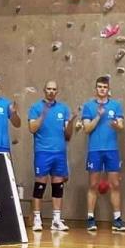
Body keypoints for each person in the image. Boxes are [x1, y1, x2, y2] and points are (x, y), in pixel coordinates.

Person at [80, 75, 125, 233]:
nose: (102, 89)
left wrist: (116, 125)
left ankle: (117, 219)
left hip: (111, 150)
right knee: (93, 184)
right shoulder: (88, 106)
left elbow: (121, 126)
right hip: (95, 150)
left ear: (108, 89)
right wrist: (99, 116)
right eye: (100, 87)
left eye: (105, 87)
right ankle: (90, 218)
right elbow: (87, 129)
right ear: (96, 89)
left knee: (115, 184)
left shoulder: (116, 105)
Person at [27, 80, 72, 232]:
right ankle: (37, 219)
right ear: (44, 90)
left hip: (59, 152)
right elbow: (32, 128)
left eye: (54, 89)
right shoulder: (35, 108)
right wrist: (43, 115)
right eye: (49, 89)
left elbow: (68, 135)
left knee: (58, 186)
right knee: (40, 185)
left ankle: (56, 220)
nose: (51, 91)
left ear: (57, 91)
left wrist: (71, 122)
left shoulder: (63, 109)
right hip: (42, 151)